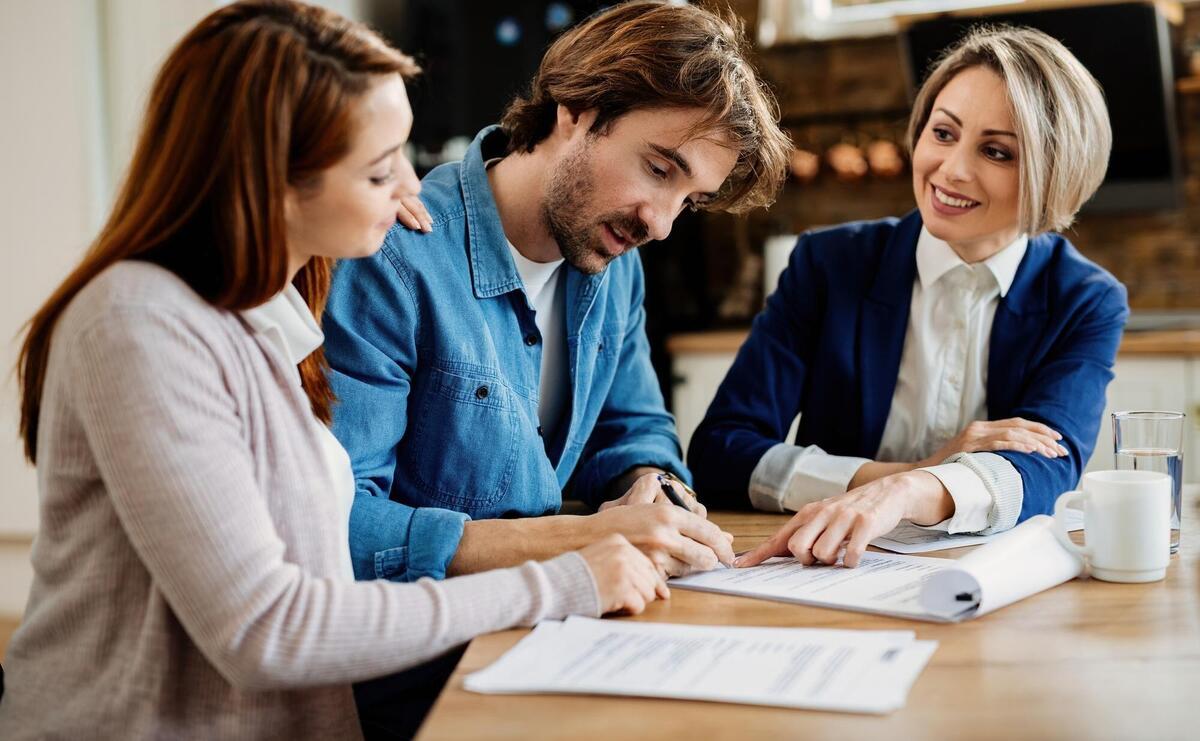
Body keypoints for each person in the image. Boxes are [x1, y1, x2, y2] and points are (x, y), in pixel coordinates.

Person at [0, 3, 668, 738]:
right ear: (276, 178)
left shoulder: (261, 315)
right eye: (383, 168)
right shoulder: (137, 325)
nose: (415, 190)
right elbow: (270, 628)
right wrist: (557, 582)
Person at [323, 0, 790, 591]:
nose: (662, 224)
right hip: (428, 656)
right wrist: (574, 541)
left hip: (555, 621)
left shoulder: (615, 262)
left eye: (689, 201)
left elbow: (633, 430)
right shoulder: (393, 257)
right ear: (576, 110)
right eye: (659, 170)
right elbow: (340, 524)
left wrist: (652, 489)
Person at [689, 26, 1128, 569]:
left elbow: (1045, 474)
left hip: (984, 584)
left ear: (1054, 174)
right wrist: (903, 475)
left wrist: (908, 494)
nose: (951, 169)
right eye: (943, 133)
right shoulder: (829, 265)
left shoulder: (1084, 300)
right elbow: (721, 453)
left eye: (996, 151)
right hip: (824, 566)